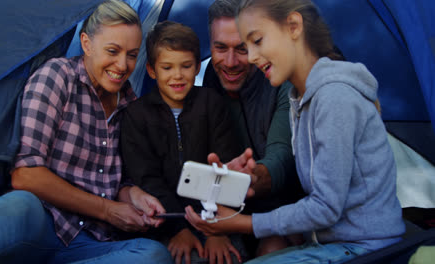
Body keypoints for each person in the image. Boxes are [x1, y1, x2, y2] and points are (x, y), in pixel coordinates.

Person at [185, 0, 406, 263]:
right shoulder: (300, 96)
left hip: (366, 248)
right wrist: (245, 178)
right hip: (329, 241)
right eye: (222, 47)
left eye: (255, 42)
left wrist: (241, 223)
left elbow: (324, 207)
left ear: (293, 27)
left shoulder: (334, 98)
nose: (252, 57)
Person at [9, 1, 173, 263]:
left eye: (132, 54)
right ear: (86, 44)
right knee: (11, 209)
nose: (122, 65)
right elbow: (26, 175)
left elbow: (115, 184)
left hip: (89, 241)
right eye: (113, 50)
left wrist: (136, 197)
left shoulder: (130, 105)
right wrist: (108, 210)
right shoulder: (58, 76)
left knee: (154, 255)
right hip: (41, 222)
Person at [120, 21, 248, 264]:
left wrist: (216, 228)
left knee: (232, 257)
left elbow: (225, 165)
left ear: (198, 66)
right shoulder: (137, 115)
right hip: (167, 221)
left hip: (216, 217)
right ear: (151, 70)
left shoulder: (211, 104)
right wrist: (178, 228)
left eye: (186, 66)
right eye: (167, 67)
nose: (177, 75)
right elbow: (146, 178)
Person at [204, 0, 304, 256]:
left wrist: (250, 178)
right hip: (230, 208)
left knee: (273, 247)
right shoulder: (211, 80)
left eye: (241, 49)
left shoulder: (280, 78)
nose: (230, 62)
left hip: (287, 207)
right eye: (220, 48)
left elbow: (281, 155)